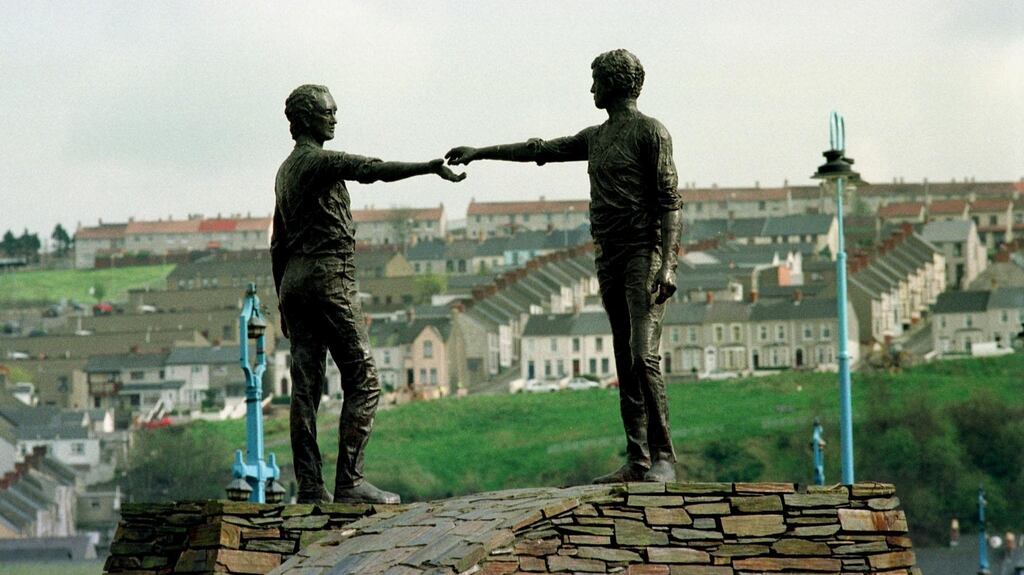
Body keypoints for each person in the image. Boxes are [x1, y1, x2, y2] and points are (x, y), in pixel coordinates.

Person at [446, 49, 682, 483]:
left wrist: (668, 266)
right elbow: (541, 150)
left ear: (615, 83)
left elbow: (670, 204)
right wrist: (479, 152)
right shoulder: (596, 137)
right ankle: (638, 458)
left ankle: (664, 456)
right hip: (608, 256)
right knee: (622, 356)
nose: (591, 89)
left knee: (643, 353)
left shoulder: (652, 133)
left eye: (596, 80)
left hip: (642, 254)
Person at [272, 84, 465, 504]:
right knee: (365, 379)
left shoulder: (285, 172)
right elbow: (372, 169)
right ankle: (350, 481)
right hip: (329, 278)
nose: (335, 118)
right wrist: (427, 167)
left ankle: (309, 485)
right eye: (328, 112)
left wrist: (282, 304)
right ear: (306, 119)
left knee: (305, 389)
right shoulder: (319, 162)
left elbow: (277, 243)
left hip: (294, 283)